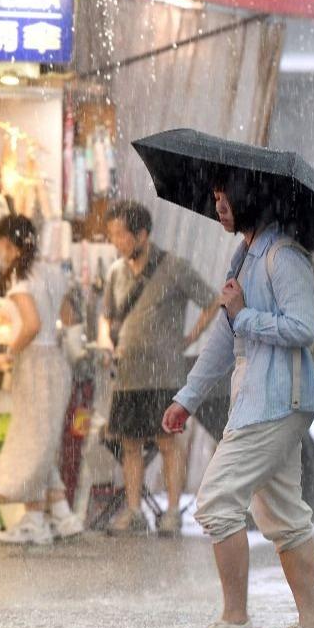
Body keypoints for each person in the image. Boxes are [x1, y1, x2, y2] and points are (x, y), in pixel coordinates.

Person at [162, 174, 314, 628]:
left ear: (251, 198)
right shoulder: (245, 256)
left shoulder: (283, 256)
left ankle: (235, 620)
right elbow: (224, 335)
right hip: (257, 399)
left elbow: (303, 326)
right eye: (215, 195)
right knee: (284, 517)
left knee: (216, 501)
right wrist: (187, 398)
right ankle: (312, 626)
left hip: (277, 401)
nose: (218, 203)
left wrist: (244, 315)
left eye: (225, 195)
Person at [100, 200, 220, 537]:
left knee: (167, 441)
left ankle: (171, 511)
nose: (116, 242)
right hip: (127, 374)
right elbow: (106, 315)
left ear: (141, 234)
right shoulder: (116, 272)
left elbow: (213, 301)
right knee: (130, 443)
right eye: (112, 235)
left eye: (120, 235)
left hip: (164, 373)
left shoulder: (174, 267)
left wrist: (189, 338)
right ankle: (134, 509)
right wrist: (108, 345)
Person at [0, 215, 82, 545]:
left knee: (30, 443)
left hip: (35, 365)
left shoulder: (20, 280)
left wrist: (8, 353)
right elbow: (67, 317)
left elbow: (30, 323)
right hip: (56, 363)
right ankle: (63, 516)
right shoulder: (53, 272)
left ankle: (34, 520)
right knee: (43, 442)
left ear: (10, 245)